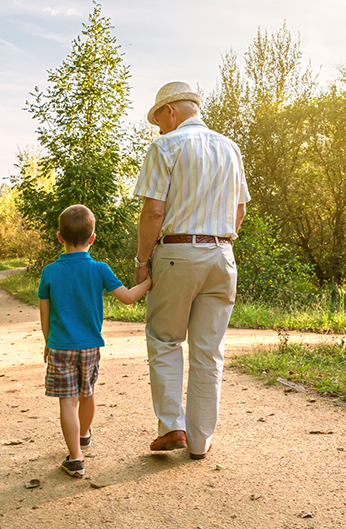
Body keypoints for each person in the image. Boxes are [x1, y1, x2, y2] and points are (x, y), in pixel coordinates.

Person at [133, 81, 250, 460]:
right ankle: (200, 441)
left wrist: (141, 262)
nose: (159, 129)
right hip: (223, 255)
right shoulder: (231, 148)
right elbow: (240, 211)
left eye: (159, 120)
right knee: (208, 351)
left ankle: (171, 428)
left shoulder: (166, 146)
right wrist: (219, 240)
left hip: (177, 254)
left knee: (166, 339)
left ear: (170, 112)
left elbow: (153, 210)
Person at [39, 204, 151, 477]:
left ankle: (75, 458)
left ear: (59, 237)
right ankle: (84, 434)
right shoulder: (99, 269)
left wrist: (47, 341)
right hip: (90, 346)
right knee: (86, 393)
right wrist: (151, 281)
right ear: (93, 238)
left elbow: (45, 312)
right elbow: (127, 297)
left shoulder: (49, 272)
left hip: (60, 346)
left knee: (67, 401)